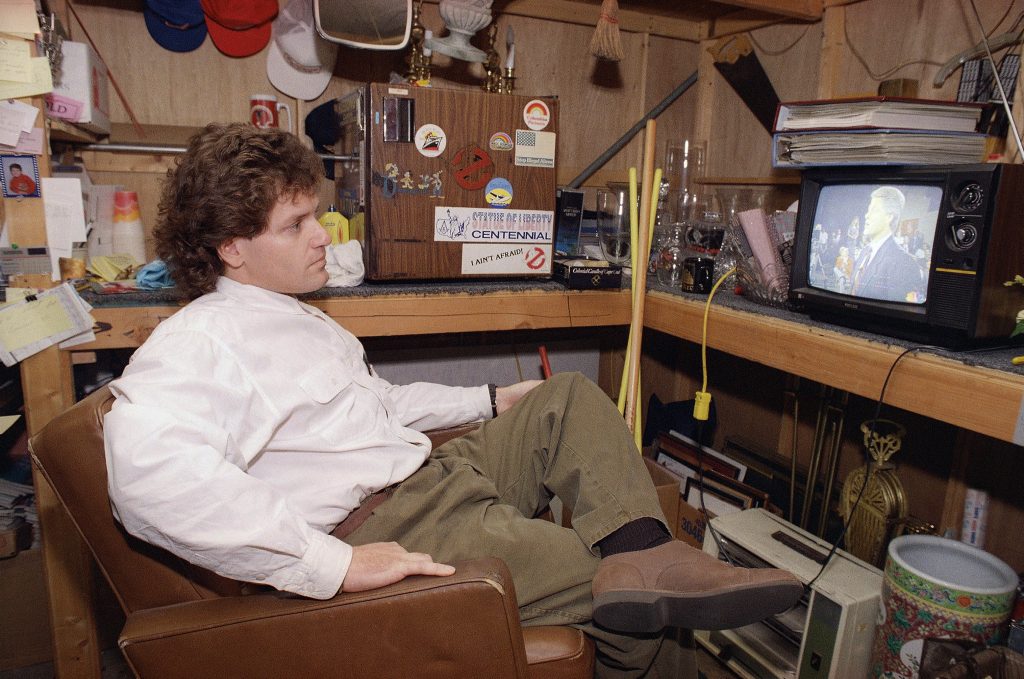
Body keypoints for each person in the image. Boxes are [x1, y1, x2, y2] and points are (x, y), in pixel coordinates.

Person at [103, 123, 803, 677]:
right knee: (641, 601)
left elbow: (375, 407)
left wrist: (492, 399)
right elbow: (144, 474)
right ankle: (642, 590)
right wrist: (336, 565)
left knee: (565, 397)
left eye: (314, 215)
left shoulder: (294, 314)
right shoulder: (203, 340)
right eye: (295, 226)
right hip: (393, 521)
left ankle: (649, 549)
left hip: (430, 474)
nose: (323, 235)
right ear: (231, 248)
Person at [850, 186, 924, 302]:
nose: (866, 215)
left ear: (889, 217)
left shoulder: (905, 263)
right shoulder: (865, 252)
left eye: (874, 210)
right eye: (868, 210)